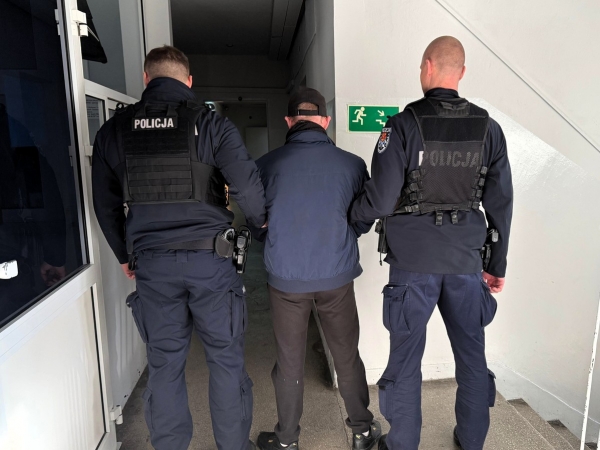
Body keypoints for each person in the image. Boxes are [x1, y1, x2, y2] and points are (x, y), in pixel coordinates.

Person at [92, 45, 266, 450]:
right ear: (189, 81)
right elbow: (247, 186)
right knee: (225, 361)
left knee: (165, 364)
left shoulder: (113, 131)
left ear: (146, 78)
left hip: (153, 266)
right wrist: (260, 223)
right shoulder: (212, 125)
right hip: (211, 261)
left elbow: (104, 204)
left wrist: (124, 255)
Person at [350, 36, 513, 450]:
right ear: (461, 72)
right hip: (466, 262)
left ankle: (403, 444)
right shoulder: (489, 129)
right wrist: (496, 264)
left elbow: (382, 199)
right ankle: (471, 440)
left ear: (427, 66)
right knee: (472, 357)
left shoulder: (402, 125)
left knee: (405, 361)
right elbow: (501, 203)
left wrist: (353, 223)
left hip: (413, 263)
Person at [253, 88, 381, 450]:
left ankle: (287, 441)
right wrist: (350, 231)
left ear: (289, 121)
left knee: (289, 362)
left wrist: (269, 235)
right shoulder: (352, 165)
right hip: (336, 276)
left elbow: (256, 221)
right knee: (346, 355)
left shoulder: (265, 165)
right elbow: (363, 214)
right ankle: (362, 431)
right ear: (325, 121)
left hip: (286, 281)